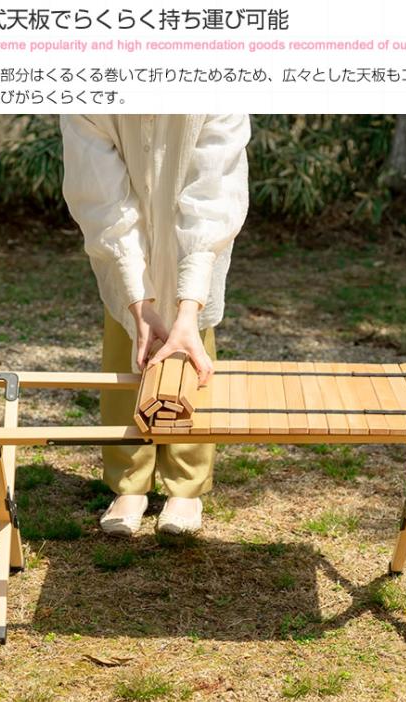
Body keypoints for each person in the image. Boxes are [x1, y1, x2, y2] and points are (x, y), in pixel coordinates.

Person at [59, 114, 250, 536]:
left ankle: (186, 487)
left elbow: (214, 195)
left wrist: (188, 309)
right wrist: (138, 302)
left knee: (193, 359)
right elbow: (101, 197)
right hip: (122, 252)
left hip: (195, 253)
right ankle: (129, 483)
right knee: (127, 349)